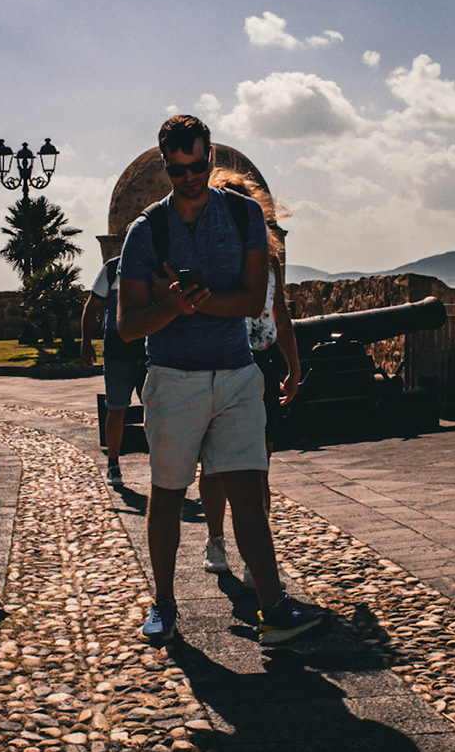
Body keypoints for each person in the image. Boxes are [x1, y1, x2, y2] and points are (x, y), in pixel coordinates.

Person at [116, 115, 333, 646]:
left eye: (195, 165)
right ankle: (164, 605)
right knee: (167, 494)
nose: (187, 176)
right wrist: (172, 307)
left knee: (248, 494)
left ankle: (273, 608)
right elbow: (127, 326)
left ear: (210, 156)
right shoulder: (146, 232)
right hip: (172, 377)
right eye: (176, 168)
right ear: (165, 164)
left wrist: (194, 303)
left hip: (235, 374)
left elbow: (253, 299)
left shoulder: (243, 216)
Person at [199, 173, 300, 580]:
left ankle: (257, 543)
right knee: (215, 466)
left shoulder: (269, 261)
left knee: (260, 465)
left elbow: (281, 316)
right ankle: (216, 538)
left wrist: (293, 367)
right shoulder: (210, 257)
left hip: (262, 364)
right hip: (222, 364)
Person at [82, 251, 147, 485]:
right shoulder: (112, 269)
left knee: (157, 410)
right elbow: (93, 305)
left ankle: (161, 462)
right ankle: (113, 463)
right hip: (118, 349)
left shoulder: (159, 265)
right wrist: (86, 342)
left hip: (151, 349)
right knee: (116, 407)